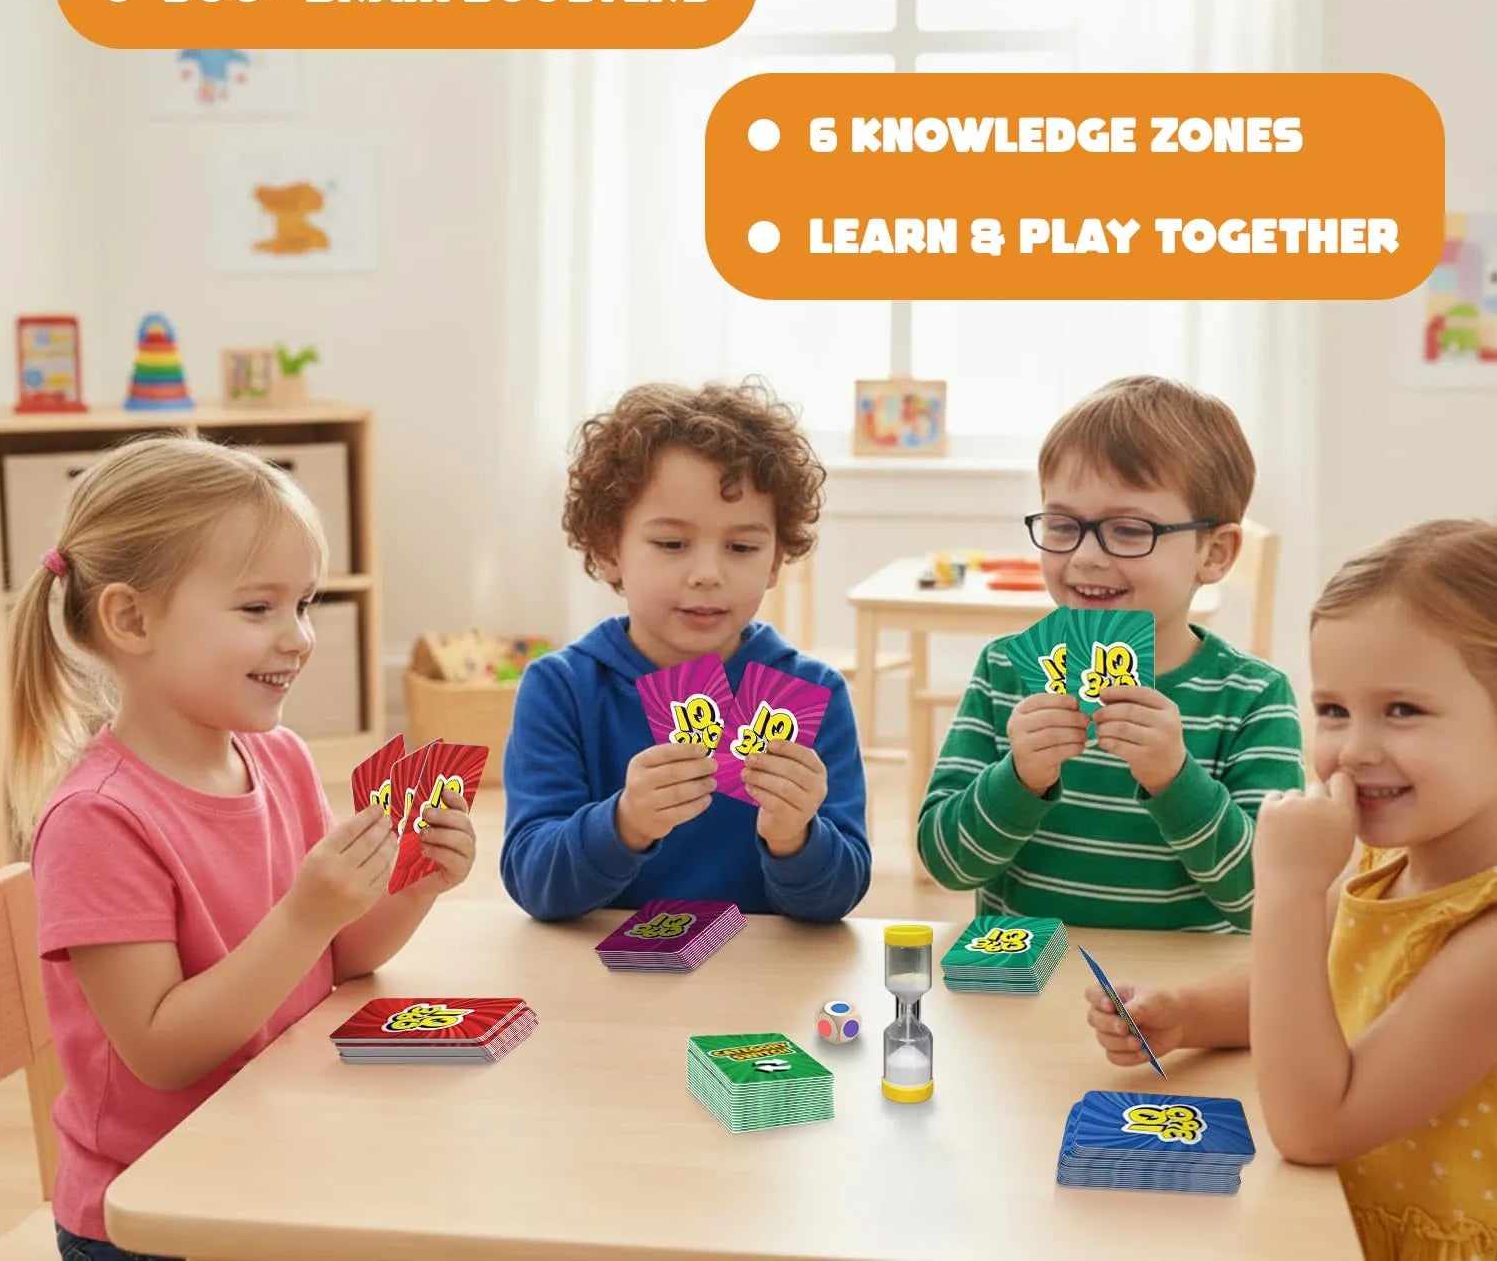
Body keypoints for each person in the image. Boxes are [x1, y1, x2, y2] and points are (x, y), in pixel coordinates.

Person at [9, 437, 477, 1259]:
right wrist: (306, 913)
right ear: (132, 619)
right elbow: (161, 1052)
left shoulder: (281, 757)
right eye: (259, 608)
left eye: (305, 604)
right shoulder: (97, 819)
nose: (298, 637)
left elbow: (341, 961)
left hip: (280, 1156)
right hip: (157, 1214)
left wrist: (412, 888)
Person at [1087, 519, 1497, 1259]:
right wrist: (1188, 1012)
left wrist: (1287, 890)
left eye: (1403, 710)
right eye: (1334, 709)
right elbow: (1313, 981)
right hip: (1333, 1224)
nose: (1355, 748)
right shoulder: (1393, 870)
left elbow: (1315, 1128)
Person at [919, 376, 1302, 930]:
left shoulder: (1253, 698)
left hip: (1180, 1003)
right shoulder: (1006, 671)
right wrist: (1019, 778)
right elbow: (946, 864)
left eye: (1128, 530)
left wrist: (1175, 779)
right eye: (1063, 525)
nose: (1086, 557)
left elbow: (1261, 900)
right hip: (1029, 979)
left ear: (1215, 553)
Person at [500, 380, 870, 922]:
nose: (706, 574)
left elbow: (836, 899)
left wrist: (795, 837)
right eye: (671, 544)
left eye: (742, 547)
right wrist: (624, 823)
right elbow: (535, 884)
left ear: (774, 563)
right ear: (608, 550)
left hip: (762, 981)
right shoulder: (561, 690)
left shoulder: (812, 693)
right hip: (606, 982)